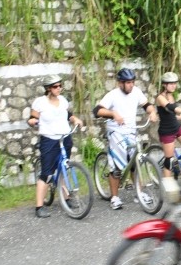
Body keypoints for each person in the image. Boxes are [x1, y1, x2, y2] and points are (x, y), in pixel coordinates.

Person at [92, 68, 158, 210]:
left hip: (130, 131)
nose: (131, 85)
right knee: (115, 166)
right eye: (128, 82)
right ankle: (114, 197)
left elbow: (147, 105)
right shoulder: (112, 95)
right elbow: (97, 111)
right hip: (116, 132)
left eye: (132, 82)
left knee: (134, 163)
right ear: (120, 83)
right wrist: (113, 113)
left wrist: (152, 112)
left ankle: (139, 193)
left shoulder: (136, 92)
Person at [27, 74, 83, 218]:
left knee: (64, 167)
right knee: (46, 173)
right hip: (49, 140)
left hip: (65, 138)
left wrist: (75, 119)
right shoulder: (40, 102)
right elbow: (32, 118)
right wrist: (32, 121)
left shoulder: (63, 100)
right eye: (55, 86)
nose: (59, 88)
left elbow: (68, 115)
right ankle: (39, 206)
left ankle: (66, 198)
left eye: (60, 86)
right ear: (48, 88)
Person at [155, 72, 181, 178]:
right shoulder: (160, 98)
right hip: (167, 131)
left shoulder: (171, 96)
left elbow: (171, 115)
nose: (173, 86)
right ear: (164, 84)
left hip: (177, 127)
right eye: (171, 83)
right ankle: (166, 188)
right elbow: (171, 108)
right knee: (169, 160)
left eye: (175, 83)